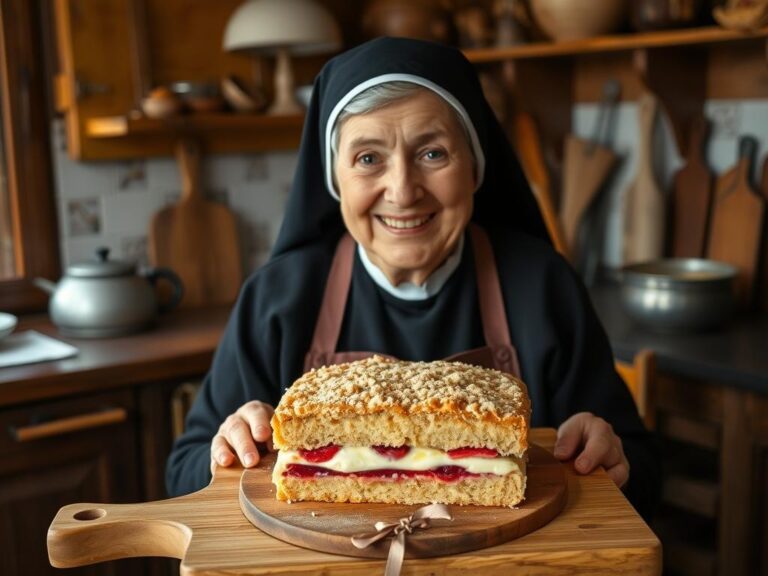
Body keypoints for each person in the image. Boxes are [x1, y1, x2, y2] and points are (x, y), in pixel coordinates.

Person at [166, 36, 660, 520]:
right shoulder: (277, 298)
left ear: (475, 167)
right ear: (334, 179)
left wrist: (606, 452)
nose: (402, 191)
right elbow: (182, 471)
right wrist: (227, 453)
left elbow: (645, 469)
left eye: (432, 154)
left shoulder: (543, 285)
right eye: (367, 158)